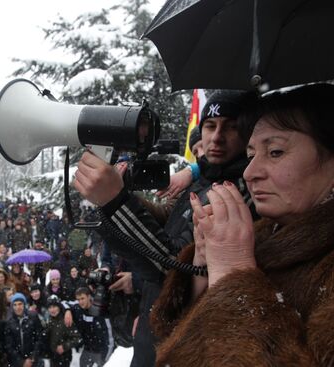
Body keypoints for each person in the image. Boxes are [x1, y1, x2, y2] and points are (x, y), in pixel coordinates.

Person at [150, 83, 334, 366]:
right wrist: (203, 272)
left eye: (275, 152)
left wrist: (235, 275)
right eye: (252, 155)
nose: (250, 172)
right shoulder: (256, 236)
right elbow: (183, 342)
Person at [73, 90, 255, 367]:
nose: (217, 137)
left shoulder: (235, 193)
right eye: (210, 126)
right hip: (158, 331)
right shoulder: (204, 178)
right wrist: (126, 197)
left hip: (180, 345)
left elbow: (177, 270)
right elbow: (170, 228)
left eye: (231, 127)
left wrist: (115, 202)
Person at [66, 287, 112, 367]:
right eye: (78, 299)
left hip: (101, 352)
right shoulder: (78, 309)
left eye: (83, 298)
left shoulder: (101, 312)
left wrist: (106, 359)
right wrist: (67, 310)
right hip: (87, 350)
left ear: (89, 297)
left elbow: (110, 339)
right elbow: (64, 303)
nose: (80, 302)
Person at [4, 293, 44, 367]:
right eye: (15, 305)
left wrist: (33, 356)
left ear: (24, 305)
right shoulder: (9, 322)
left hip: (34, 360)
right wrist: (21, 361)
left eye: (20, 304)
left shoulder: (33, 317)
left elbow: (39, 338)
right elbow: (9, 345)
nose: (17, 307)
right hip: (17, 362)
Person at [44, 295, 81, 367]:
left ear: (59, 307)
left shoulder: (66, 320)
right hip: (53, 356)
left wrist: (64, 346)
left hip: (64, 357)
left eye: (54, 306)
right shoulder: (49, 320)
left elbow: (77, 338)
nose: (52, 310)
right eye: (50, 307)